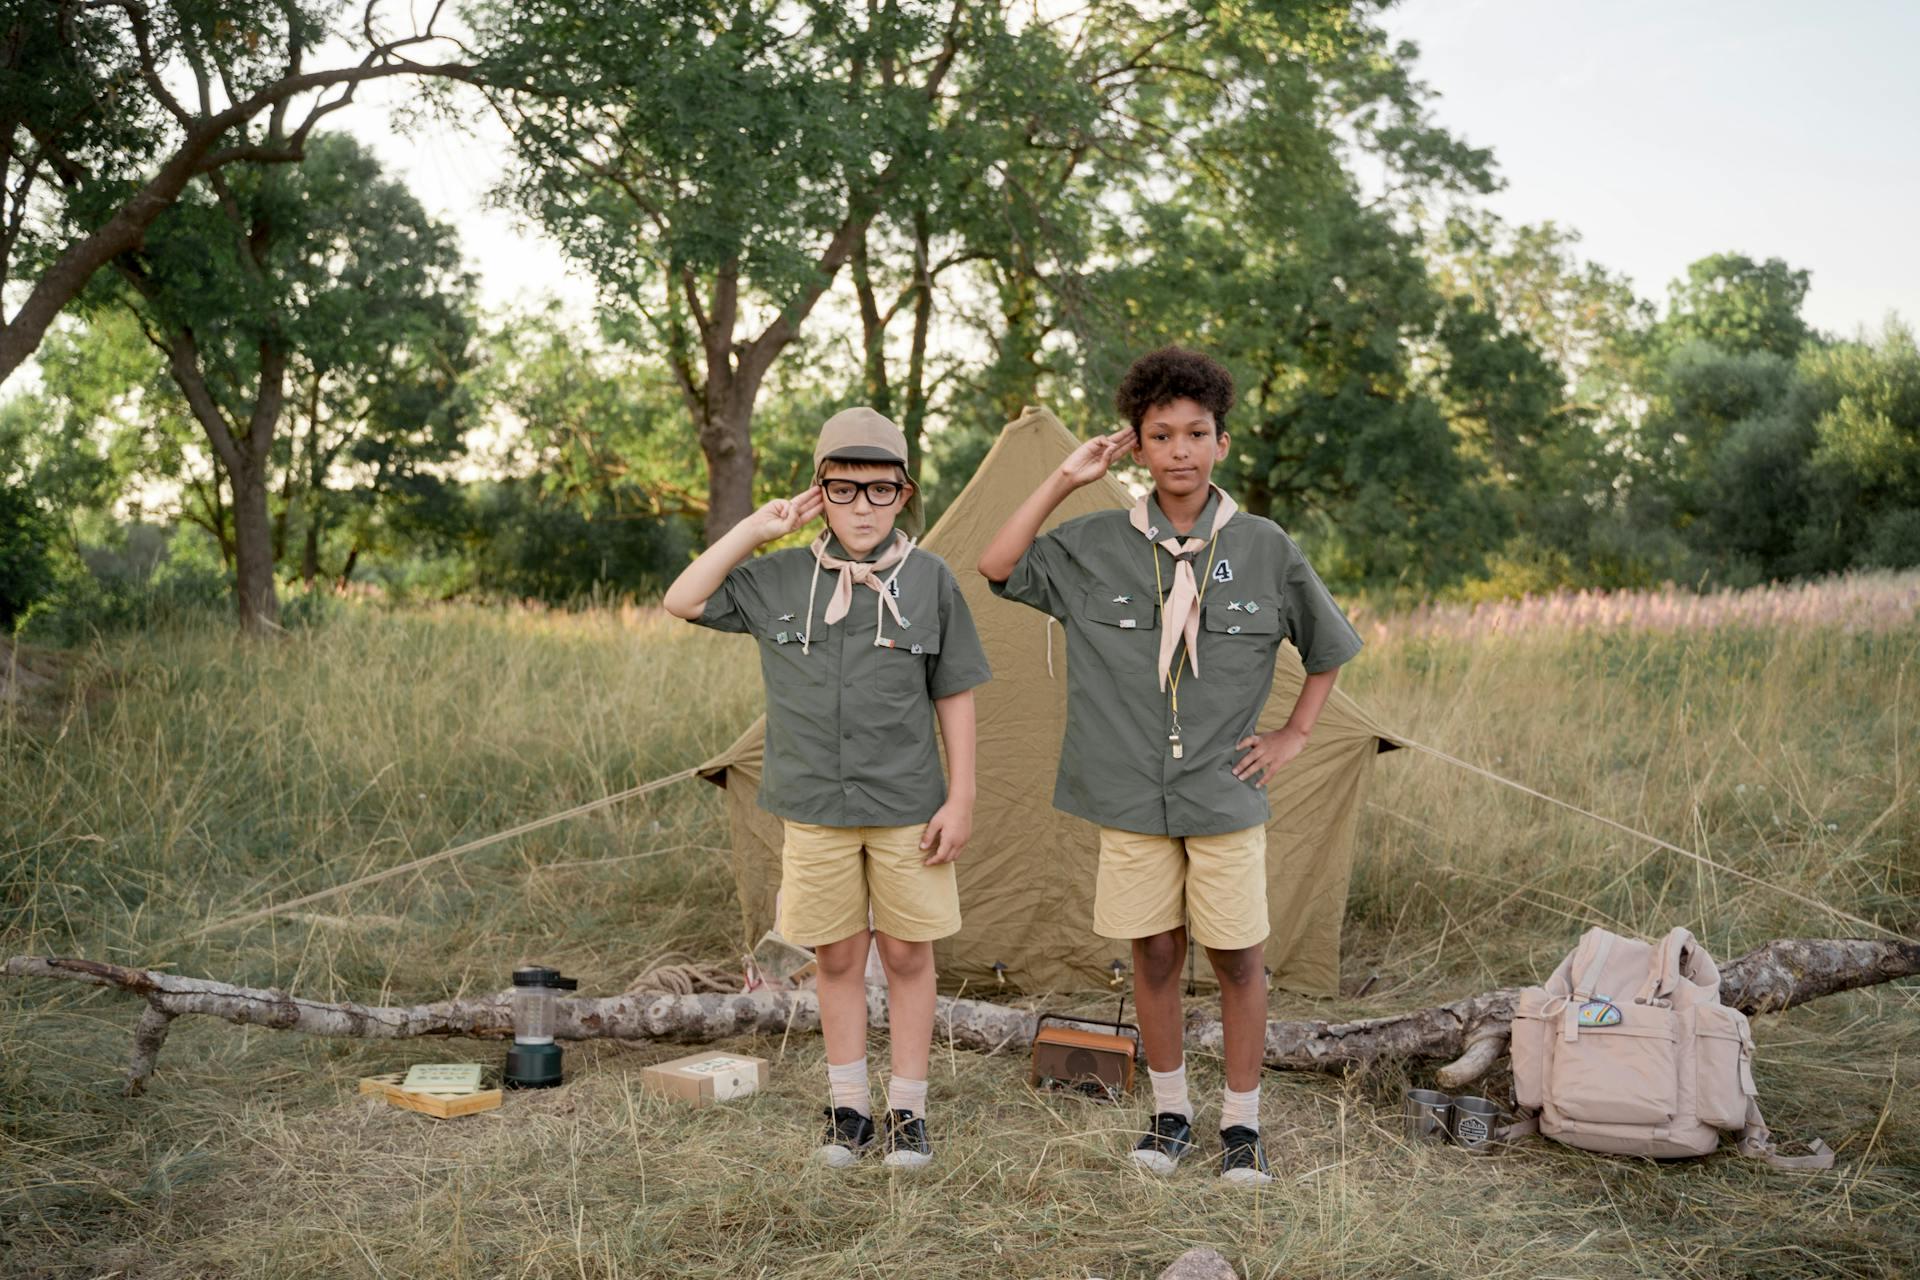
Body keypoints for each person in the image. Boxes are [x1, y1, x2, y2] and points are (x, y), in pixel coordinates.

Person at [977, 347, 1363, 1184]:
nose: (1181, 449)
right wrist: (1065, 481)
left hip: (1224, 793)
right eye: (1161, 435)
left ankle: (1244, 1126)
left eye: (1197, 433)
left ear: (1222, 443)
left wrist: (1294, 734)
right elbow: (998, 565)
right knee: (1152, 952)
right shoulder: (1095, 545)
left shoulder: (1264, 548)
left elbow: (1329, 646)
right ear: (1139, 447)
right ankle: (1170, 1115)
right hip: (1129, 792)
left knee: (1237, 958)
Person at [663, 407, 991, 1168]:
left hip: (908, 806)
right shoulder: (778, 578)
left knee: (909, 957)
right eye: (844, 490)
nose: (863, 508)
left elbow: (957, 694)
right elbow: (682, 600)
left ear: (904, 495)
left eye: (880, 492)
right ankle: (849, 1111)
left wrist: (962, 796)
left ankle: (906, 1113)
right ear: (819, 492)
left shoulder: (930, 579)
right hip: (813, 807)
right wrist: (756, 528)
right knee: (836, 961)